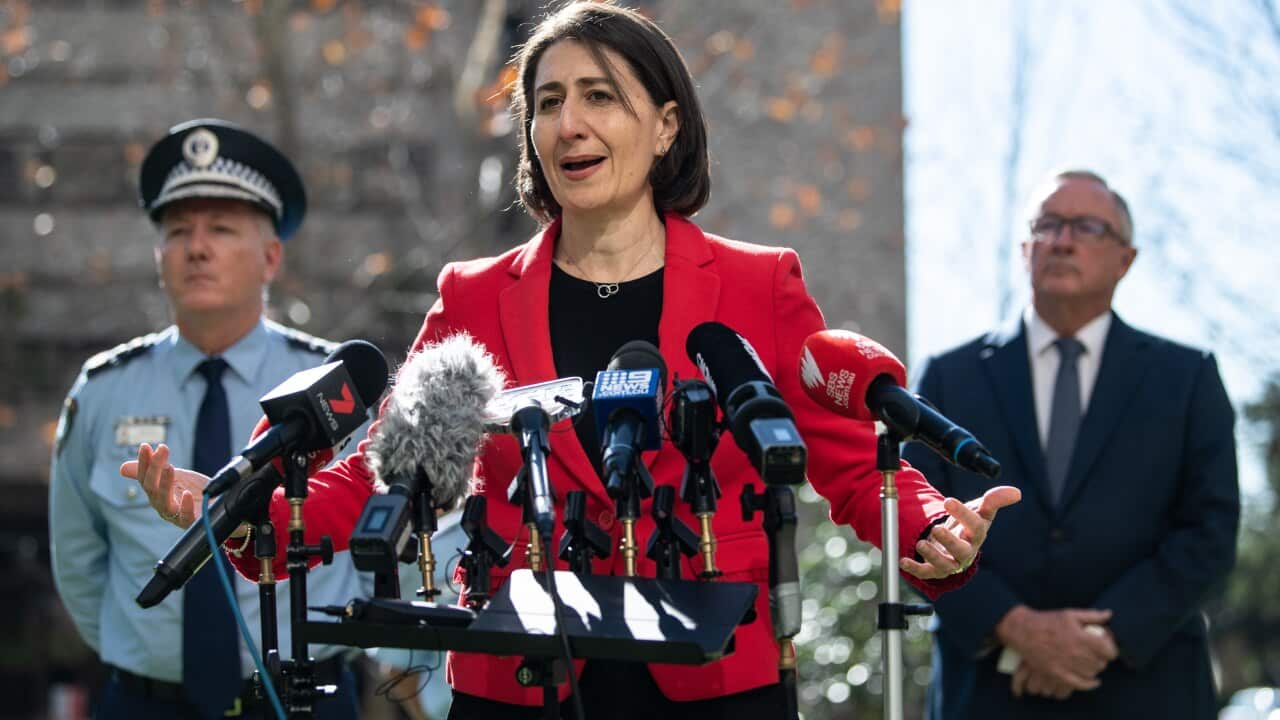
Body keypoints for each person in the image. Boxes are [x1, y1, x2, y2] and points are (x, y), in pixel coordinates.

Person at [129, 4, 1020, 718]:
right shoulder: (474, 295)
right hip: (519, 677)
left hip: (714, 677)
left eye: (600, 95)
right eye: (547, 102)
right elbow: (388, 474)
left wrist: (934, 527)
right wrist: (239, 513)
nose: (569, 123)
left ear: (665, 125)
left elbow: (852, 465)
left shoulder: (758, 286)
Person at [49, 119, 371, 720]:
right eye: (178, 231)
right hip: (146, 704)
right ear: (159, 256)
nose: (197, 247)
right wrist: (141, 658)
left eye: (221, 229)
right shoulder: (101, 391)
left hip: (302, 701)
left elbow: (388, 536)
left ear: (271, 257)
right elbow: (77, 559)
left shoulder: (334, 388)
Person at [904, 169, 1239, 719]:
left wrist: (1100, 638)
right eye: (1049, 224)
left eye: (1087, 227)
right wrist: (1013, 626)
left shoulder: (1187, 377)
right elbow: (910, 523)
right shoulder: (947, 377)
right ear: (1024, 248)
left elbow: (1211, 528)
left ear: (1126, 260)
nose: (1062, 240)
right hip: (989, 691)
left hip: (1148, 686)